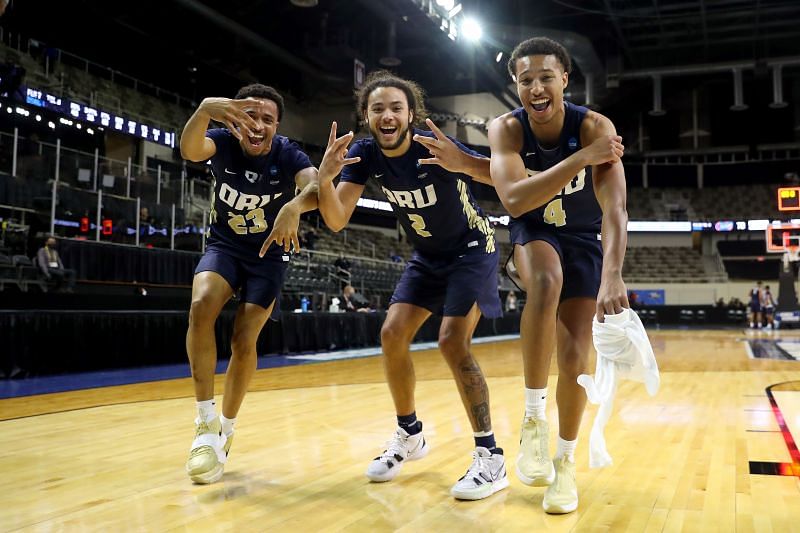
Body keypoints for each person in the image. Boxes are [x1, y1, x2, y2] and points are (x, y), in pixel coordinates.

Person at [317, 70, 508, 501]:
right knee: (391, 333)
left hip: (473, 247)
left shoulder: (432, 143)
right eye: (377, 108)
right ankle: (410, 434)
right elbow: (335, 218)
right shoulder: (364, 154)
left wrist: (465, 162)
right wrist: (325, 179)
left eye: (396, 108)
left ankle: (491, 456)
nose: (387, 115)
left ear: (411, 114)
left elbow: (504, 179)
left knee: (451, 341)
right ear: (366, 116)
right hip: (427, 256)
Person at [488, 36, 627, 514]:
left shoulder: (594, 126)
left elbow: (616, 210)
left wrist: (613, 275)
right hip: (534, 228)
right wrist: (580, 160)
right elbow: (514, 200)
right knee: (545, 282)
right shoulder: (505, 129)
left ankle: (564, 464)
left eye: (546, 77)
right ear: (516, 84)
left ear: (565, 78)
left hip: (584, 239)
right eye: (526, 80)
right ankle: (532, 420)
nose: (537, 88)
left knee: (574, 358)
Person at [180, 83, 320, 484]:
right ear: (235, 117)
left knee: (244, 340)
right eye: (250, 116)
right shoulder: (221, 140)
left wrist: (295, 205)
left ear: (277, 126)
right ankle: (204, 423)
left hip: (269, 253)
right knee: (201, 304)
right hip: (225, 244)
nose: (258, 126)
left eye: (267, 119)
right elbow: (190, 149)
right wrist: (204, 108)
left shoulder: (287, 152)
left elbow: (315, 186)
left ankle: (226, 428)